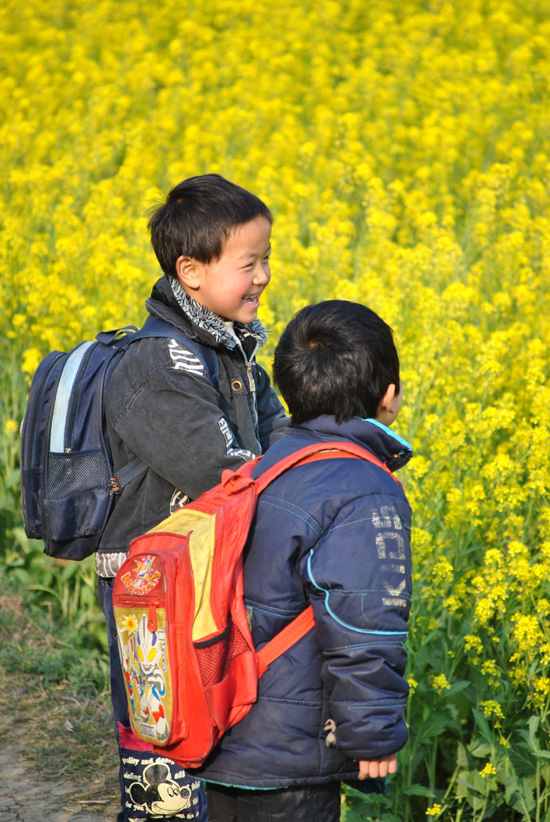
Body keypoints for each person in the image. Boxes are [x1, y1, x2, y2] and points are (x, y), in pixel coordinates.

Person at [96, 174, 288, 822]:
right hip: (151, 590)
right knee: (164, 772)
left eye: (266, 259)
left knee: (206, 746)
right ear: (192, 272)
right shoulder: (159, 365)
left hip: (203, 578)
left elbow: (278, 439)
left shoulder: (233, 353)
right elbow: (223, 471)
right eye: (249, 262)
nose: (263, 275)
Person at [194, 300, 413, 822]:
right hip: (291, 757)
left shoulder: (268, 465)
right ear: (388, 397)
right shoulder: (362, 487)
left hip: (225, 732)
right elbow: (362, 619)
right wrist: (372, 732)